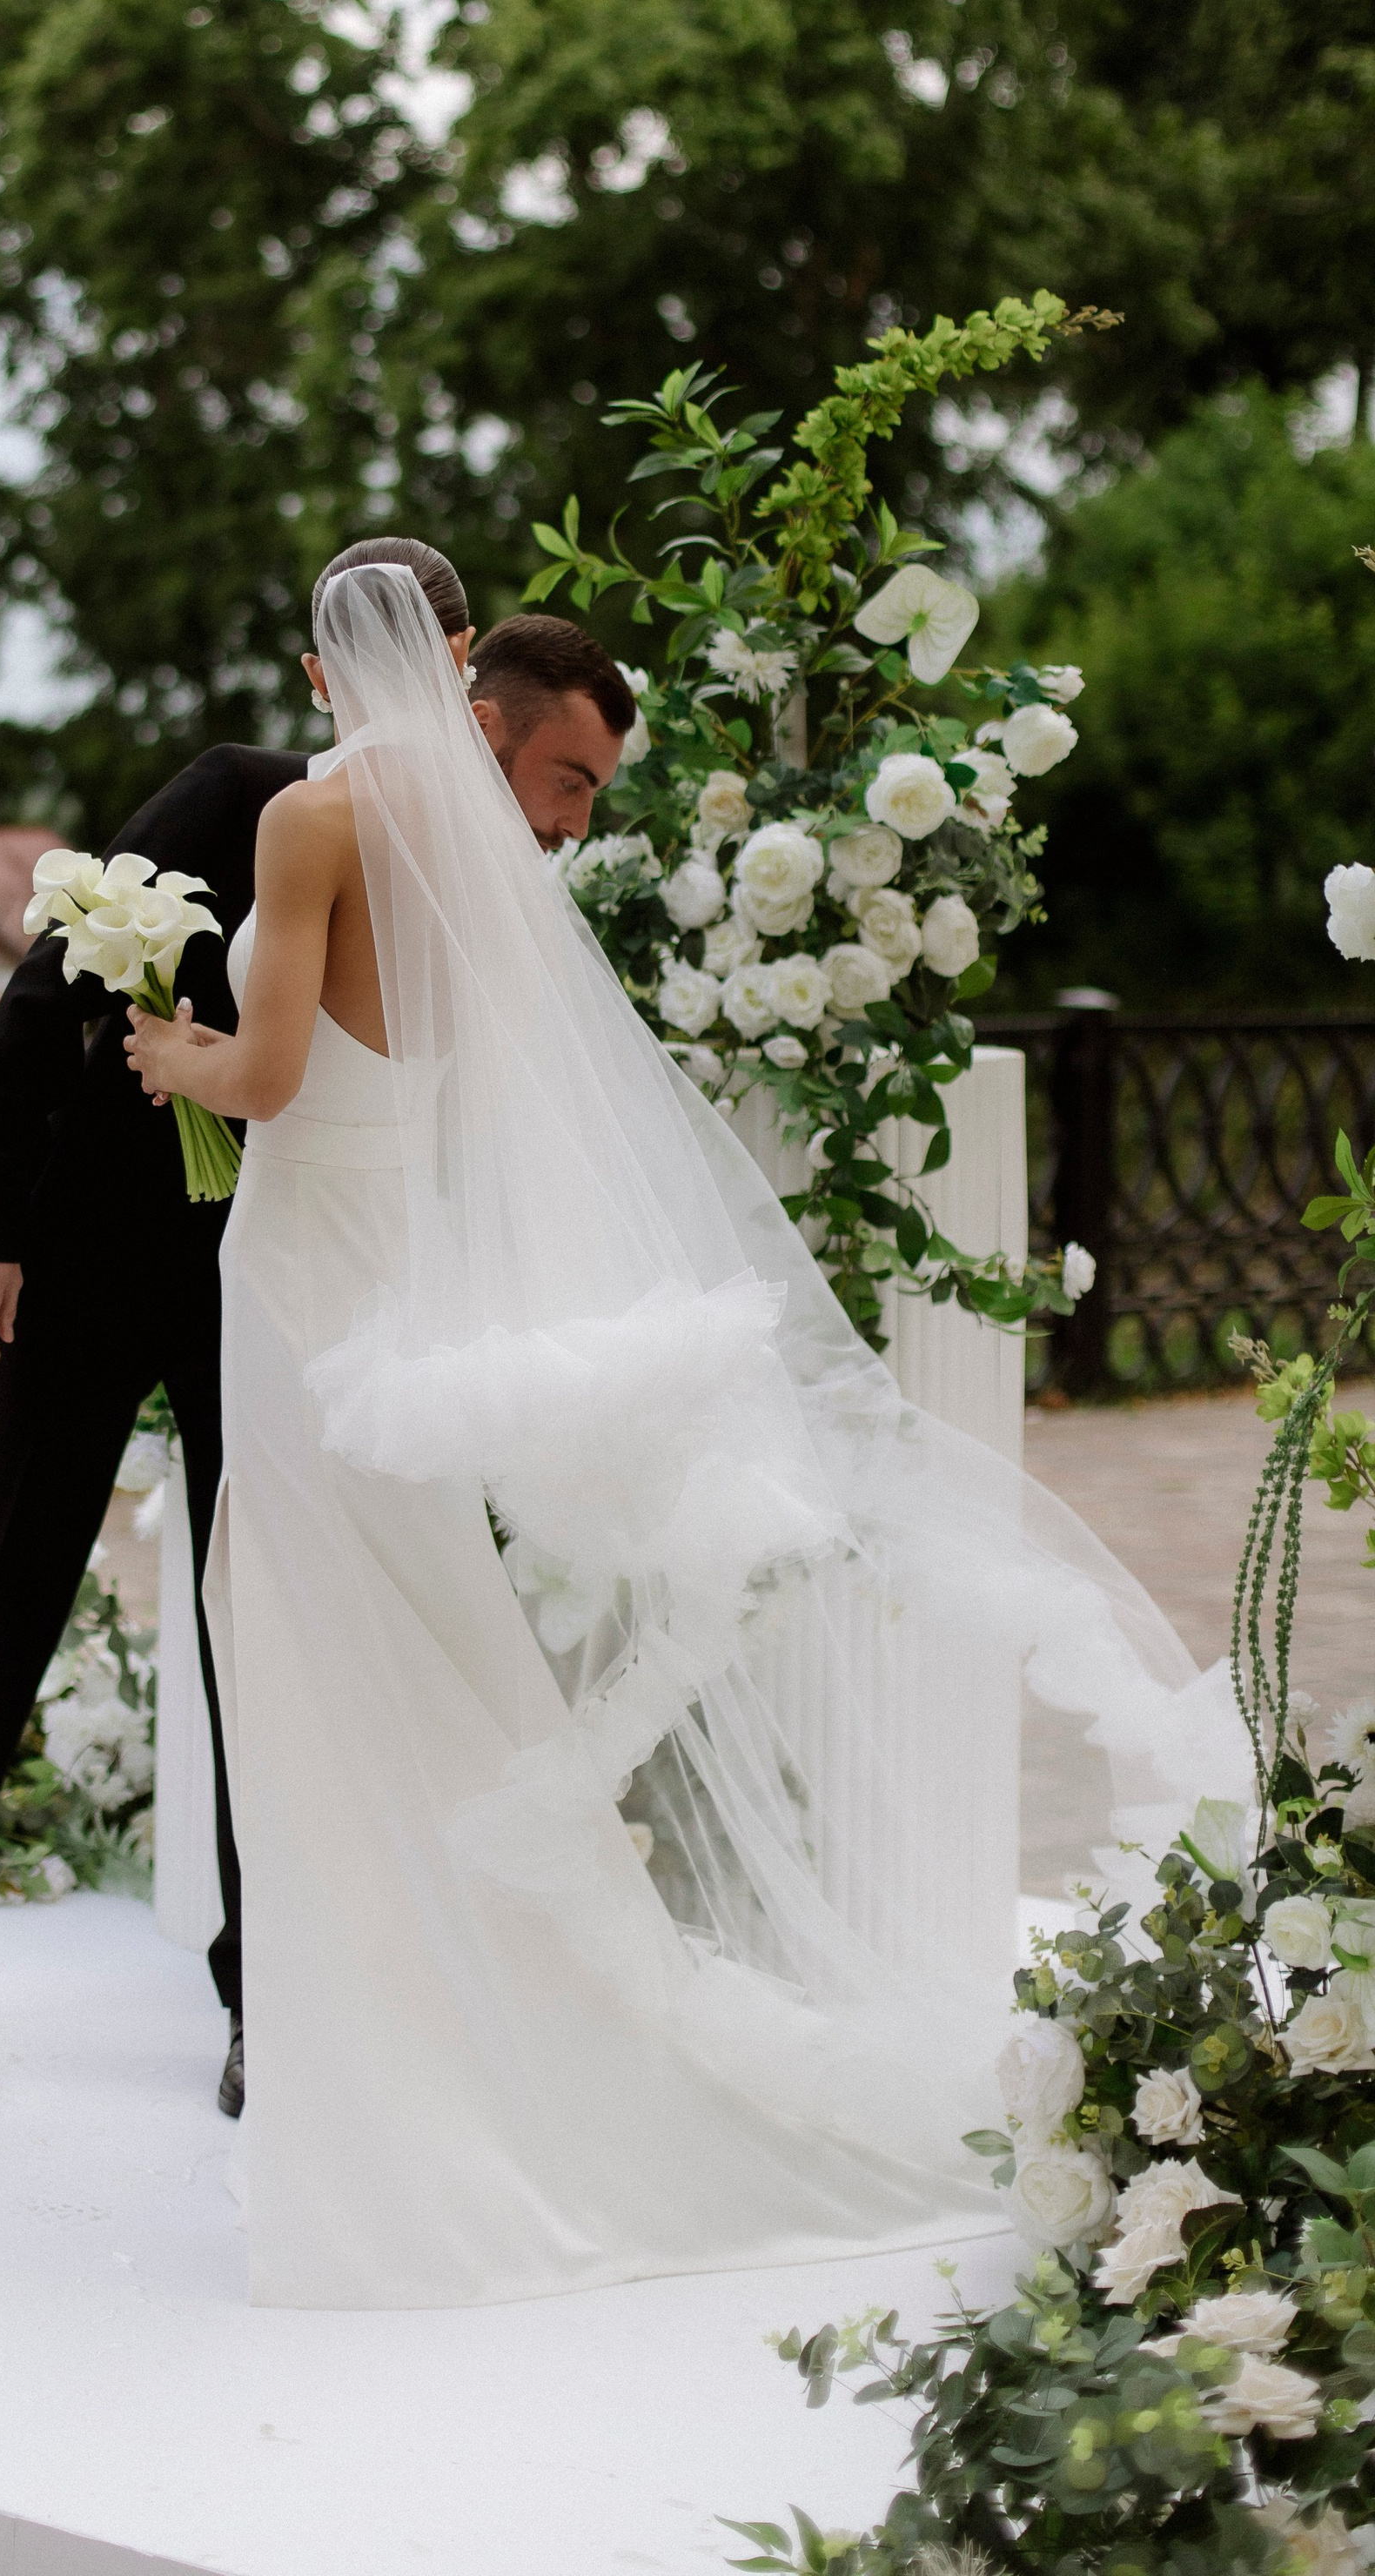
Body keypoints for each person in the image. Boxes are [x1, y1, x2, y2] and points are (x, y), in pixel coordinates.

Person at [126, 552, 1234, 2308]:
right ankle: (479, 2049)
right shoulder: (487, 854)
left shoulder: (312, 821)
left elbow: (265, 1081)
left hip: (297, 1275)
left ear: (333, 668)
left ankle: (383, 2098)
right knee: (434, 1652)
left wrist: (169, 1057)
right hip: (391, 1270)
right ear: (461, 661)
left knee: (322, 1662)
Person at [0, 543, 634, 2116]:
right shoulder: (240, 793)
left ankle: (264, 1989)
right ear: (324, 675)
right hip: (89, 1258)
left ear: (467, 668)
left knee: (261, 1622)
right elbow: (51, 990)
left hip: (288, 1282)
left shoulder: (481, 859)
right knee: (1, 1592)